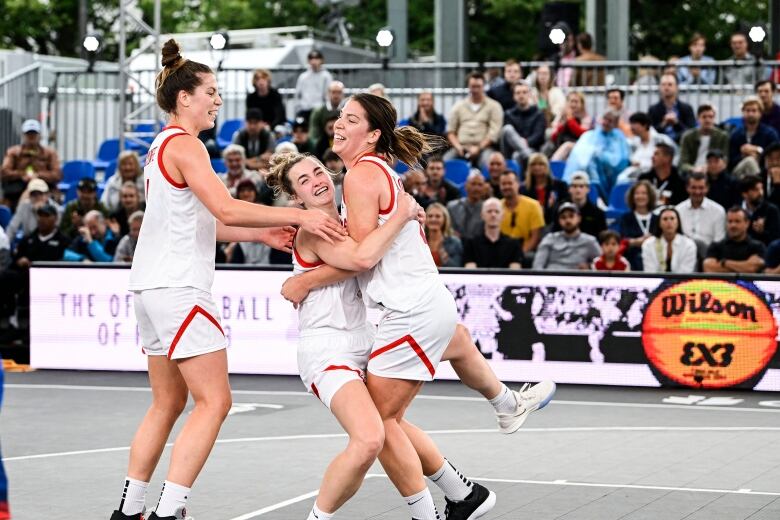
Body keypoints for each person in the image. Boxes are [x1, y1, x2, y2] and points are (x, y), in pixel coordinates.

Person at [279, 95, 554, 520]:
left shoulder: (359, 178)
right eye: (304, 178)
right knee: (443, 357)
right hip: (371, 327)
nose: (338, 123)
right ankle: (493, 428)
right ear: (295, 198)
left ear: (371, 135)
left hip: (405, 312)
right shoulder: (335, 205)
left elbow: (361, 257)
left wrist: (307, 277)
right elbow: (359, 254)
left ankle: (446, 501)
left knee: (383, 426)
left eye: (350, 119)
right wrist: (402, 213)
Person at [108, 39, 345, 520]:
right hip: (179, 288)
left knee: (166, 403)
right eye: (211, 92)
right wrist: (296, 218)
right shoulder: (187, 145)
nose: (218, 100)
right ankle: (170, 510)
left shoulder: (159, 147)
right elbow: (225, 206)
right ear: (184, 98)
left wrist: (264, 233)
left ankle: (129, 511)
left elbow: (205, 223)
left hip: (150, 287)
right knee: (215, 402)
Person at [563, 108, 630, 196]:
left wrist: (601, 157)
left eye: (610, 121)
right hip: (587, 172)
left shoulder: (619, 137)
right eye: (605, 119)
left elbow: (621, 160)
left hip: (610, 176)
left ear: (615, 124)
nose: (605, 122)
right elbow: (578, 157)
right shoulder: (589, 135)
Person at [444, 71, 503, 167]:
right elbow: (450, 131)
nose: (475, 90)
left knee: (489, 164)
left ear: (484, 87)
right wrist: (458, 146)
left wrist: (479, 148)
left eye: (478, 86)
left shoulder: (494, 106)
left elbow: (494, 133)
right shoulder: (458, 106)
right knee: (445, 164)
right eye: (472, 86)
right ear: (468, 87)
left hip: (484, 148)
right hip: (460, 147)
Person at [0, 118, 61, 210]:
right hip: (17, 189)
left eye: (34, 134)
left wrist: (38, 175)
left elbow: (57, 174)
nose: (31, 137)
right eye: (29, 134)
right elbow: (4, 172)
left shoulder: (50, 153)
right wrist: (22, 174)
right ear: (24, 135)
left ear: (39, 135)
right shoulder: (13, 152)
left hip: (44, 188)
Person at [533, 202, 600, 270]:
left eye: (571, 216)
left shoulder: (589, 241)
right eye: (563, 217)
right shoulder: (549, 239)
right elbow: (537, 266)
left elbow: (602, 264)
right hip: (552, 278)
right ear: (559, 221)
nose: (567, 220)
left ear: (579, 218)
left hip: (577, 278)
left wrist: (590, 267)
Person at [675, 172, 726, 258]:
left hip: (709, 255)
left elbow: (719, 241)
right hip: (683, 255)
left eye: (701, 188)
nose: (697, 192)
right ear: (687, 188)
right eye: (693, 188)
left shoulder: (718, 211)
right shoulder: (678, 210)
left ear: (707, 188)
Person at [463, 197, 523, 269]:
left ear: (503, 216)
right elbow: (470, 272)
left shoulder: (514, 244)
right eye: (489, 211)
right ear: (482, 215)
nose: (493, 215)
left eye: (497, 211)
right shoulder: (471, 243)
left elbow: (515, 273)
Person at [703, 207, 766, 273]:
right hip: (721, 283)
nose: (733, 225)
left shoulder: (758, 246)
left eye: (737, 221)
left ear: (747, 223)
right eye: (730, 221)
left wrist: (725, 263)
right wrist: (744, 266)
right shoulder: (716, 246)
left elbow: (752, 268)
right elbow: (708, 268)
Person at [729, 96, 779, 178]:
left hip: (765, 172)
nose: (750, 114)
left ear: (760, 113)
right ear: (743, 113)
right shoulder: (736, 134)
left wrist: (758, 151)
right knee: (749, 161)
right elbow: (731, 162)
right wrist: (744, 155)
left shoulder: (770, 133)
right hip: (739, 173)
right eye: (747, 111)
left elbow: (775, 156)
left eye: (754, 111)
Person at [499, 170, 544, 255]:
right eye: (503, 184)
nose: (506, 187)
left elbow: (535, 237)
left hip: (525, 252)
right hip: (501, 253)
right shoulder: (496, 207)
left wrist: (520, 254)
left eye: (510, 183)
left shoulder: (533, 205)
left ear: (518, 184)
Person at [499, 81, 546, 164]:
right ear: (514, 96)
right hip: (512, 151)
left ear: (529, 95)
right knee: (507, 129)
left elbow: (539, 135)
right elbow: (507, 139)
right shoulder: (508, 114)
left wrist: (526, 142)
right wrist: (520, 143)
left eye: (524, 92)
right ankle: (533, 161)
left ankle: (531, 159)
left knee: (517, 155)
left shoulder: (538, 113)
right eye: (518, 93)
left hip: (532, 148)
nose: (521, 95)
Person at [641, 206, 697, 273]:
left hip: (683, 282)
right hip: (656, 282)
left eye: (672, 218)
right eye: (665, 219)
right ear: (659, 223)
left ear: (678, 222)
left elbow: (686, 272)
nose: (669, 222)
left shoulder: (689, 245)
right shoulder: (648, 244)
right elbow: (650, 272)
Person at [618, 180, 658, 271]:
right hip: (631, 262)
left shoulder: (658, 219)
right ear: (632, 196)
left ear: (650, 196)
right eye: (637, 193)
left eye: (644, 193)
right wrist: (637, 241)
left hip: (654, 261)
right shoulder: (626, 218)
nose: (640, 196)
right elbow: (622, 241)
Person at [679, 104, 729, 175]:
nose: (707, 120)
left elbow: (725, 159)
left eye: (710, 117)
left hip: (714, 171)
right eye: (704, 117)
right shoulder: (688, 137)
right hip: (693, 171)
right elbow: (683, 163)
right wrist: (694, 169)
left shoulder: (722, 136)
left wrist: (710, 168)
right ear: (698, 119)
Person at [555, 171, 606, 238]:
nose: (578, 190)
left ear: (588, 189)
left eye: (581, 186)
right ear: (569, 189)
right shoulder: (559, 210)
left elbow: (602, 237)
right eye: (574, 186)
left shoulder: (597, 213)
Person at [521, 152, 568, 226]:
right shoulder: (523, 188)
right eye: (533, 164)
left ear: (547, 166)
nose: (537, 167)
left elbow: (565, 204)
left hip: (555, 222)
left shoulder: (560, 185)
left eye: (540, 164)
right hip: (531, 224)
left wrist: (553, 206)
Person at [648, 73, 696, 144]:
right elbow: (649, 132)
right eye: (663, 85)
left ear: (677, 87)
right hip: (659, 145)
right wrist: (663, 124)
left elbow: (691, 132)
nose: (666, 87)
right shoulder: (653, 109)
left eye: (670, 84)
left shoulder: (687, 108)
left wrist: (676, 123)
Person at [625, 112, 676, 176]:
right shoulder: (633, 143)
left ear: (645, 125)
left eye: (634, 123)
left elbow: (674, 157)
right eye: (631, 123)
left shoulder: (662, 140)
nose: (631, 127)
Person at [547, 91, 593, 161]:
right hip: (559, 145)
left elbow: (582, 134)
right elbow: (554, 137)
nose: (573, 104)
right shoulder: (561, 117)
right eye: (571, 101)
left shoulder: (586, 118)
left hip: (578, 146)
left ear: (582, 104)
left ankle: (553, 164)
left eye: (576, 102)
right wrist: (563, 124)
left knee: (567, 146)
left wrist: (570, 119)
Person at [740, 174, 780, 245]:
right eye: (756, 190)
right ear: (745, 194)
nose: (761, 193)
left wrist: (762, 232)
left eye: (761, 189)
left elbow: (775, 240)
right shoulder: (737, 211)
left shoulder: (771, 210)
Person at [294, 49, 333, 120]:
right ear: (308, 61)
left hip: (319, 111)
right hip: (304, 109)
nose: (314, 61)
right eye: (311, 58)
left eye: (316, 58)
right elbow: (298, 95)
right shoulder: (303, 77)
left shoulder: (326, 76)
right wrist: (298, 109)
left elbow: (328, 96)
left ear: (322, 60)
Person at [447, 170, 486, 241]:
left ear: (484, 188)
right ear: (466, 186)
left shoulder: (488, 209)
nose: (476, 188)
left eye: (480, 185)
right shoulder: (452, 207)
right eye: (473, 184)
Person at [424, 202, 463, 267]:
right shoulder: (419, 242)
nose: (433, 219)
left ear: (444, 219)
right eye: (430, 216)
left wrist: (443, 255)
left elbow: (456, 268)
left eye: (438, 216)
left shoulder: (455, 242)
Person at [309, 80, 345, 145]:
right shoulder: (318, 112)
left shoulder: (347, 110)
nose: (336, 95)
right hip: (323, 145)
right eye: (333, 92)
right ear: (328, 93)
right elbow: (314, 135)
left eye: (339, 92)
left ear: (343, 94)